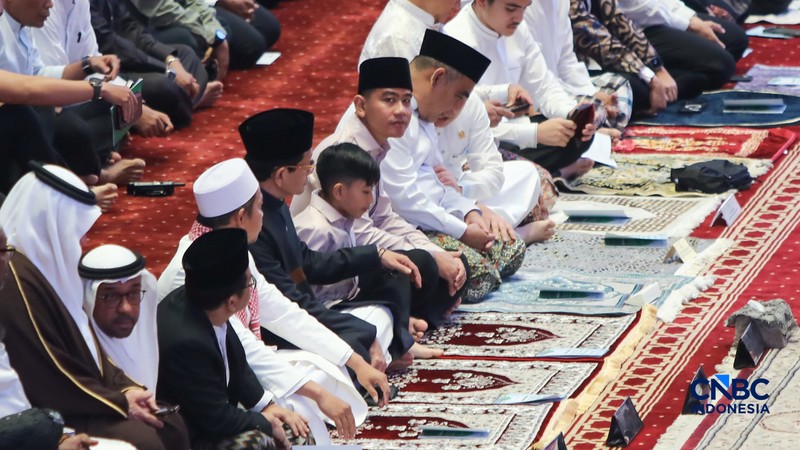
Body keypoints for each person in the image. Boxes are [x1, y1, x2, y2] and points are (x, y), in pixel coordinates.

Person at [158, 158, 371, 441]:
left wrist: (353, 358)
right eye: (259, 207)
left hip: (240, 369)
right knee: (297, 409)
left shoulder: (233, 250)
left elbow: (280, 310)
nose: (264, 215)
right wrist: (308, 396)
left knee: (329, 368)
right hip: (204, 395)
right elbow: (242, 347)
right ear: (240, 217)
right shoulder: (192, 270)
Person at [0, 163, 189, 450]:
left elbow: (88, 349)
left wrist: (127, 388)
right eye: (77, 231)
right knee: (144, 440)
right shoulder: (15, 279)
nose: (84, 240)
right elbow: (48, 372)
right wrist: (117, 401)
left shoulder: (46, 268)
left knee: (169, 423)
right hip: (53, 409)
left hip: (78, 396)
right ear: (52, 225)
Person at [291, 57, 468, 332]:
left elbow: (385, 217)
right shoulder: (345, 150)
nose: (401, 111)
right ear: (360, 106)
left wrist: (434, 251)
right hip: (333, 264)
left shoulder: (380, 144)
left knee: (453, 261)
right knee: (421, 264)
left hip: (365, 250)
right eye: (389, 100)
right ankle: (406, 322)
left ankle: (411, 320)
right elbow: (358, 234)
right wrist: (427, 256)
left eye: (407, 101)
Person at [244, 108, 399, 403]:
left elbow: (307, 262)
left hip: (304, 307)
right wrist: (362, 334)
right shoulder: (256, 223)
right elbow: (288, 303)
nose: (311, 172)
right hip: (278, 329)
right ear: (280, 175)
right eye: (306, 166)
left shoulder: (275, 205)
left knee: (381, 314)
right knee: (356, 342)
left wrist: (374, 255)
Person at [380, 29, 526, 303]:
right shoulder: (395, 116)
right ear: (437, 78)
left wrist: (469, 212)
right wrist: (461, 231)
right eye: (460, 95)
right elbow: (403, 200)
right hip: (398, 225)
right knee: (479, 273)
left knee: (512, 249)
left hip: (433, 216)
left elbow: (437, 181)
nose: (460, 106)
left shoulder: (422, 117)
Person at [295, 143, 447, 366]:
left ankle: (401, 332)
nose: (369, 201)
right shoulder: (315, 228)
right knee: (391, 278)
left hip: (347, 292)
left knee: (401, 267)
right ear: (339, 191)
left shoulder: (343, 215)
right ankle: (398, 342)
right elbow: (312, 285)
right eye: (366, 192)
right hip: (328, 306)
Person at [158, 228, 295, 449]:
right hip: (191, 437)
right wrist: (263, 422)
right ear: (233, 302)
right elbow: (215, 418)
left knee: (293, 425)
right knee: (261, 441)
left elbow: (236, 363)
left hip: (214, 418)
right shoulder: (187, 343)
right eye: (250, 283)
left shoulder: (207, 303)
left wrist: (265, 406)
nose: (252, 289)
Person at [0, 0, 145, 189]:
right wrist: (99, 88)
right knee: (27, 113)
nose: (50, 4)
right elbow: (26, 90)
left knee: (81, 119)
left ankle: (83, 179)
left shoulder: (22, 23)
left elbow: (38, 75)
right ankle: (74, 190)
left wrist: (88, 65)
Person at [445, 0, 599, 177]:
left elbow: (544, 86)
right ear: (481, 2)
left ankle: (542, 172)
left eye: (524, 9)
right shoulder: (457, 38)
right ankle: (553, 173)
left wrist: (572, 114)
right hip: (476, 143)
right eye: (511, 8)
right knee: (484, 160)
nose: (519, 17)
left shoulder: (518, 28)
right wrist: (534, 134)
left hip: (515, 129)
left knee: (577, 135)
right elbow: (464, 124)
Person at [524, 0, 632, 130]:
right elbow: (536, 81)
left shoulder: (561, 3)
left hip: (558, 90)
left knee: (621, 85)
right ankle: (596, 129)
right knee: (593, 108)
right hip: (535, 97)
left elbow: (566, 61)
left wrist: (592, 92)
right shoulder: (524, 7)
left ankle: (594, 126)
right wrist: (591, 102)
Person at [125, 0, 280, 78]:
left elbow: (193, 2)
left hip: (179, 12)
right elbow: (162, 9)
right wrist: (209, 35)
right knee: (190, 40)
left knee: (264, 30)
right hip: (146, 25)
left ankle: (207, 65)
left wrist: (214, 32)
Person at [80, 245, 160, 390]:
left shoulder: (146, 336)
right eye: (111, 296)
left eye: (133, 293)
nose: (126, 308)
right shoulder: (82, 360)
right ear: (89, 299)